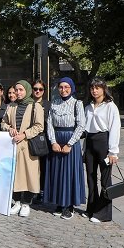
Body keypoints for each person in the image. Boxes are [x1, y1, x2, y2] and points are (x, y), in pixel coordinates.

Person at [44, 77, 86, 220]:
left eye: (67, 87)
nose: (64, 89)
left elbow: (81, 125)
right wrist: (53, 142)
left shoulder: (77, 104)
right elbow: (49, 124)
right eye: (61, 87)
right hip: (57, 139)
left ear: (72, 87)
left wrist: (70, 144)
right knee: (57, 172)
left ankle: (69, 206)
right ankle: (59, 203)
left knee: (69, 173)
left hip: (70, 140)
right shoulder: (54, 103)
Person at [2, 80, 44, 217]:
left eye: (21, 90)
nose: (18, 92)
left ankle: (26, 203)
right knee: (16, 175)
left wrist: (25, 134)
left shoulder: (35, 106)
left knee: (29, 175)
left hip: (27, 145)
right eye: (16, 90)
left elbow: (39, 126)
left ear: (27, 91)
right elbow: (4, 122)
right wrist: (10, 129)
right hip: (14, 145)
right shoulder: (11, 106)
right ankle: (17, 202)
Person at [84, 77, 121, 223]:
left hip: (103, 142)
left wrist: (113, 151)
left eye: (97, 88)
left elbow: (115, 128)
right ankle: (91, 208)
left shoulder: (110, 106)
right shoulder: (88, 106)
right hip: (90, 143)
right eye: (92, 88)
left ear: (103, 89)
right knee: (90, 178)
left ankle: (103, 213)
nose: (94, 90)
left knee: (105, 179)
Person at [32, 79, 51, 202]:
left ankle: (43, 191)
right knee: (33, 166)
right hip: (31, 138)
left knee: (44, 166)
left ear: (44, 91)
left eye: (40, 89)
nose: (38, 91)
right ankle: (33, 191)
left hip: (44, 140)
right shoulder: (29, 104)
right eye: (35, 89)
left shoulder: (49, 105)